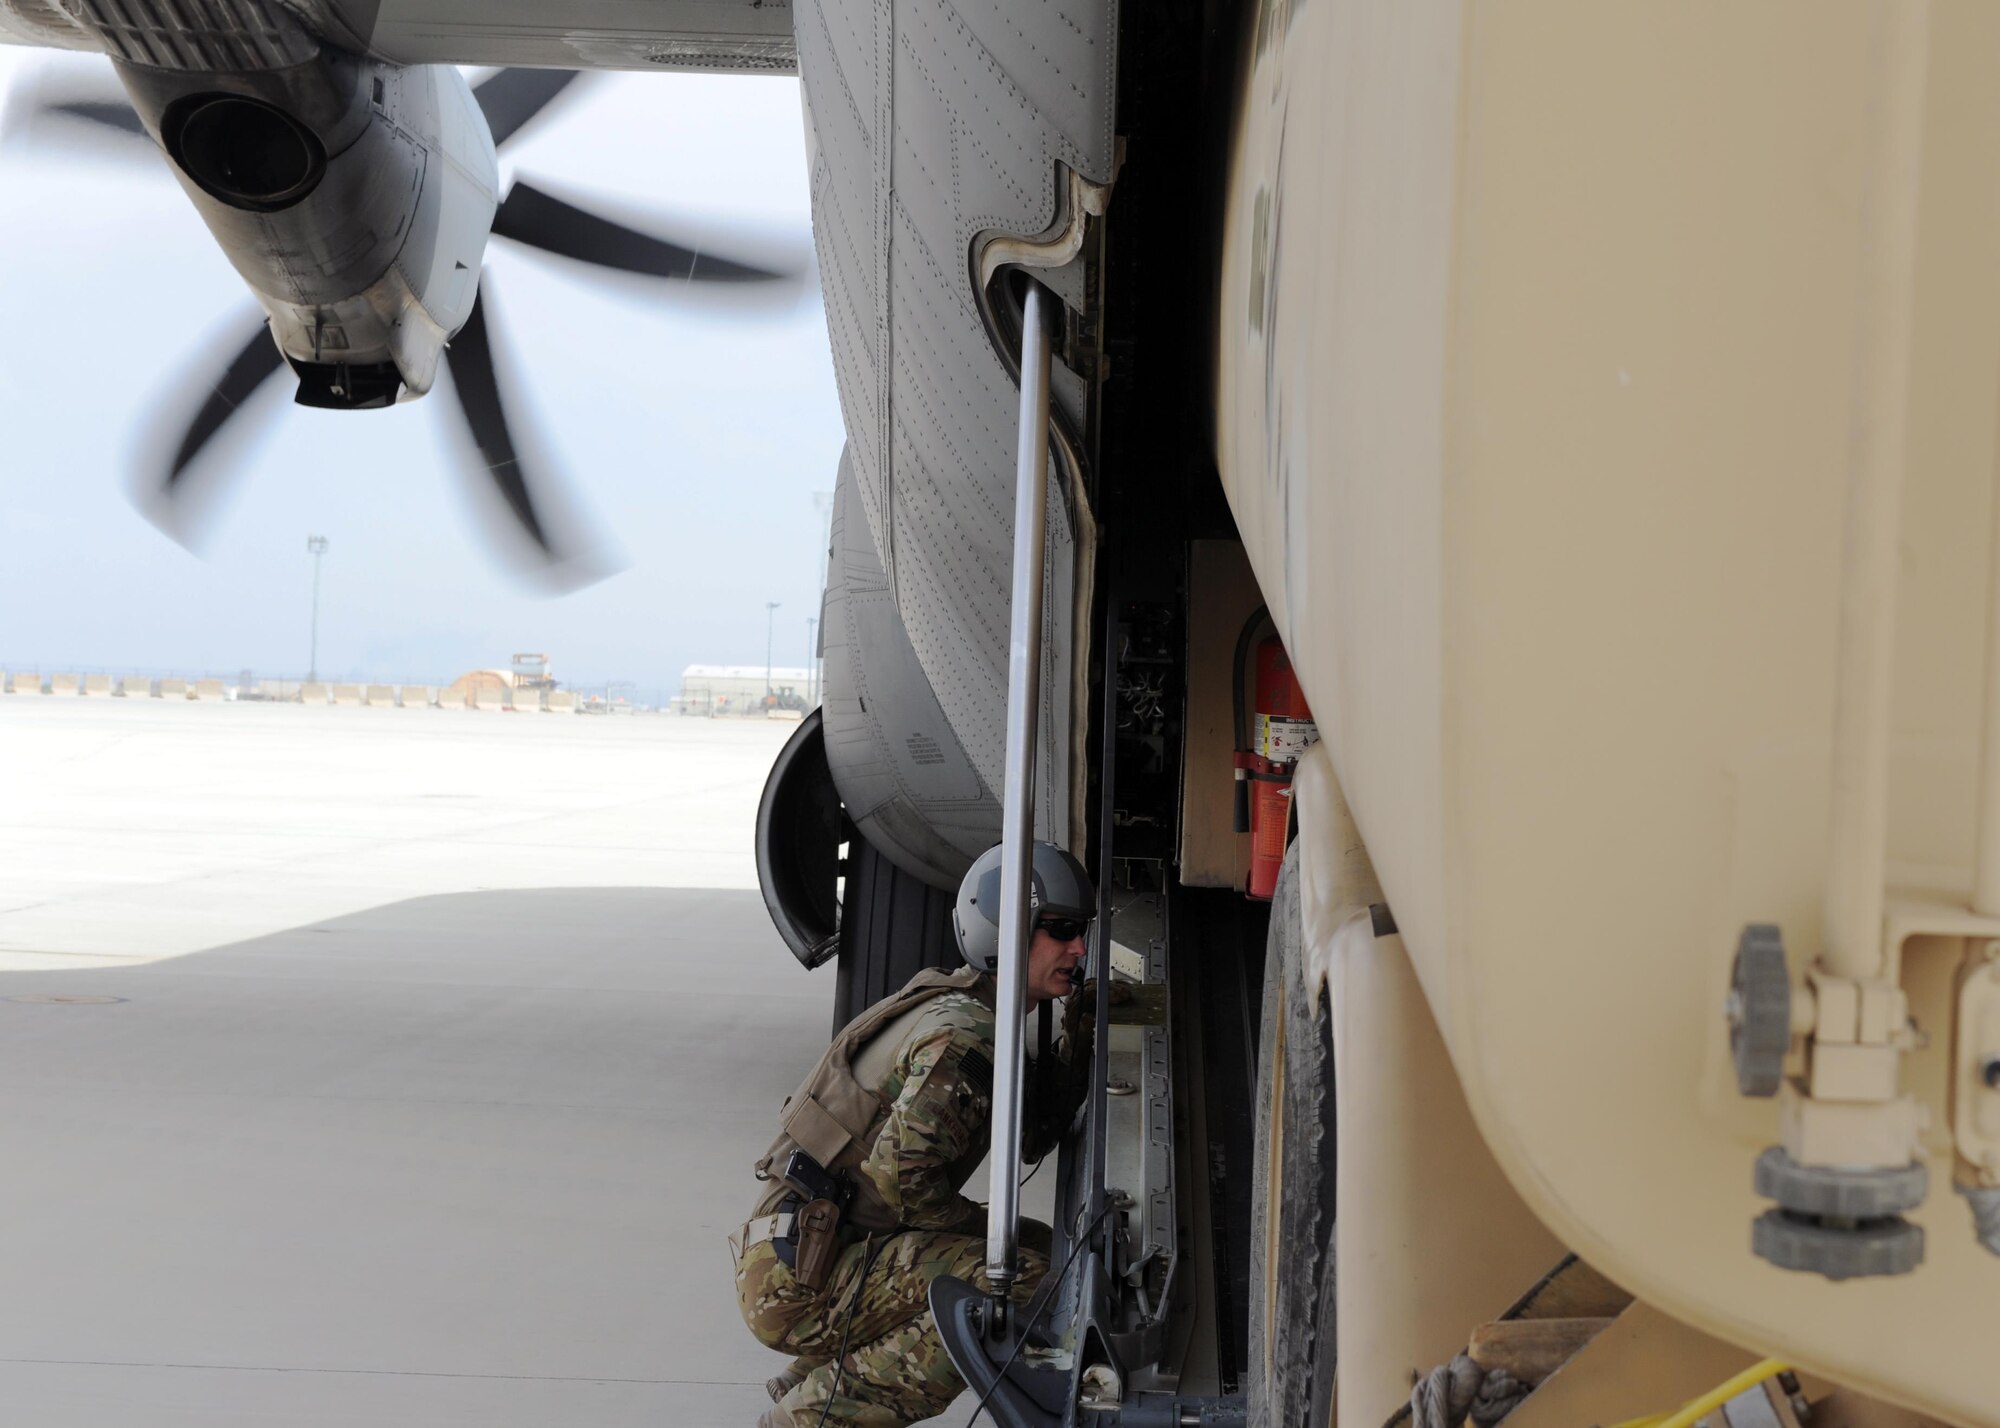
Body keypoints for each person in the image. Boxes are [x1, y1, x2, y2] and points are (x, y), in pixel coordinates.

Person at [732, 840, 1095, 1428]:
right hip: (800, 1277)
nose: (1077, 948)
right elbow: (901, 1181)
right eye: (1060, 930)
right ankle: (817, 1415)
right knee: (1019, 1283)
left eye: (1080, 931)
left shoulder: (966, 1005)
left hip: (808, 1248)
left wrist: (1080, 1040)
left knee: (1043, 1250)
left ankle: (814, 1373)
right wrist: (978, 1232)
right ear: (1006, 932)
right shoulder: (965, 1035)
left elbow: (1027, 1137)